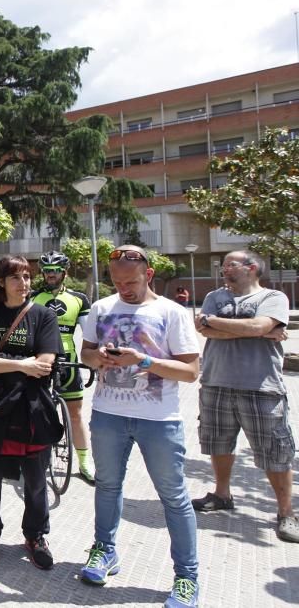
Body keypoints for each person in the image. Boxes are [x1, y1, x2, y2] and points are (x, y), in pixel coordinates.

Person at [78, 245, 201, 608]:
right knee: (107, 486)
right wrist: (96, 358)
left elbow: (191, 372)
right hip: (108, 413)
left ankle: (187, 578)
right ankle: (105, 551)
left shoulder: (172, 312)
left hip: (159, 420)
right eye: (116, 282)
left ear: (148, 275)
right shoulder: (101, 308)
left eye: (130, 282)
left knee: (174, 498)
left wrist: (144, 359)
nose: (123, 289)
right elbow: (85, 352)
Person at [191, 250, 298, 542]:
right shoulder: (215, 296)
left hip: (261, 387)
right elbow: (205, 328)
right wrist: (258, 331)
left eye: (231, 264)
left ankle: (286, 512)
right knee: (218, 443)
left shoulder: (273, 298)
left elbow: (258, 325)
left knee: (275, 451)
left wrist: (252, 328)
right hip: (216, 383)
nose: (224, 268)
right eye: (223, 264)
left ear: (251, 268)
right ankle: (221, 494)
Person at [0, 255, 62, 570]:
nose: (23, 283)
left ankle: (35, 535)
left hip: (32, 408)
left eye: (26, 277)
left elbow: (45, 363)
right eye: (15, 278)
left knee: (35, 480)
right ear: (0, 282)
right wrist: (23, 363)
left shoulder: (44, 317)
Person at [32, 250, 95, 482]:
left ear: (64, 273)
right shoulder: (33, 297)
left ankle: (84, 461)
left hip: (68, 361)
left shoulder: (79, 299)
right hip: (41, 360)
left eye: (55, 270)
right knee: (35, 413)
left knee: (76, 415)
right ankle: (32, 458)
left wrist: (95, 359)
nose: (51, 274)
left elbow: (90, 334)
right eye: (47, 270)